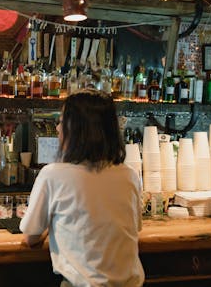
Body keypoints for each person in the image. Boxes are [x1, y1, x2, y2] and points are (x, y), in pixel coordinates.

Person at [19, 88, 144, 287]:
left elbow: (30, 237)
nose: (58, 128)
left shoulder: (53, 174)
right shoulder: (129, 175)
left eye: (61, 121)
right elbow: (135, 227)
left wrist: (49, 224)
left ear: (76, 129)